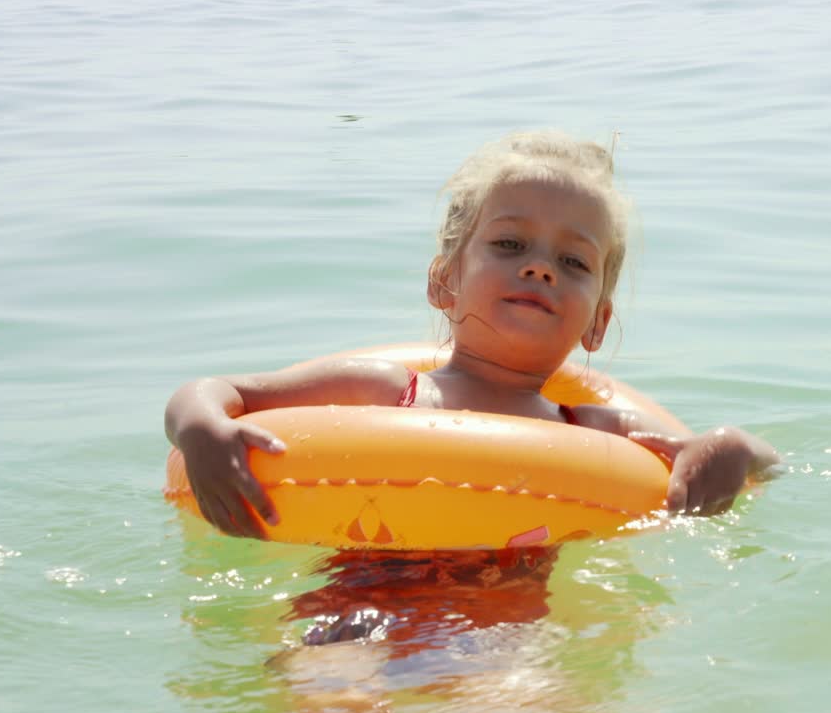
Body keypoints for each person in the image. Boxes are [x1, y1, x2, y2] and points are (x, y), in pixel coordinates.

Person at [164, 130, 780, 541]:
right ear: (444, 282)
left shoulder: (588, 426)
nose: (539, 267)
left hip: (512, 630)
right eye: (509, 245)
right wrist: (201, 428)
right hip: (358, 614)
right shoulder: (387, 390)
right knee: (334, 692)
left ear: (597, 322)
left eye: (573, 263)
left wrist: (729, 446)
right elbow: (216, 391)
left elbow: (758, 463)